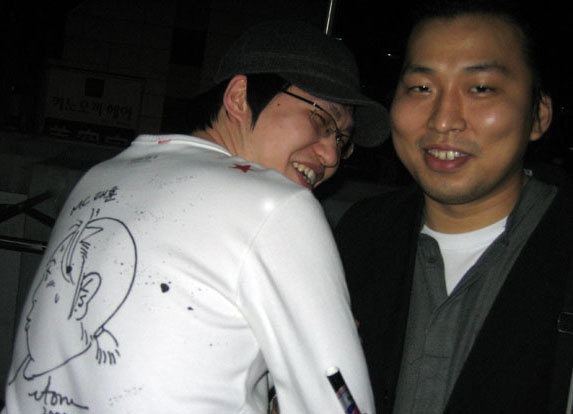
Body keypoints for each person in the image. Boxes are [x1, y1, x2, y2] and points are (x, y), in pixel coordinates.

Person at [2, 19, 390, 414]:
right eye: (322, 120)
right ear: (239, 97)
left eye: (342, 140)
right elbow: (341, 407)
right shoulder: (277, 205)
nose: (331, 156)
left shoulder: (99, 179)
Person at [334, 0, 573, 413]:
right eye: (421, 88)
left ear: (538, 115)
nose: (443, 120)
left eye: (480, 88)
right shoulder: (359, 237)